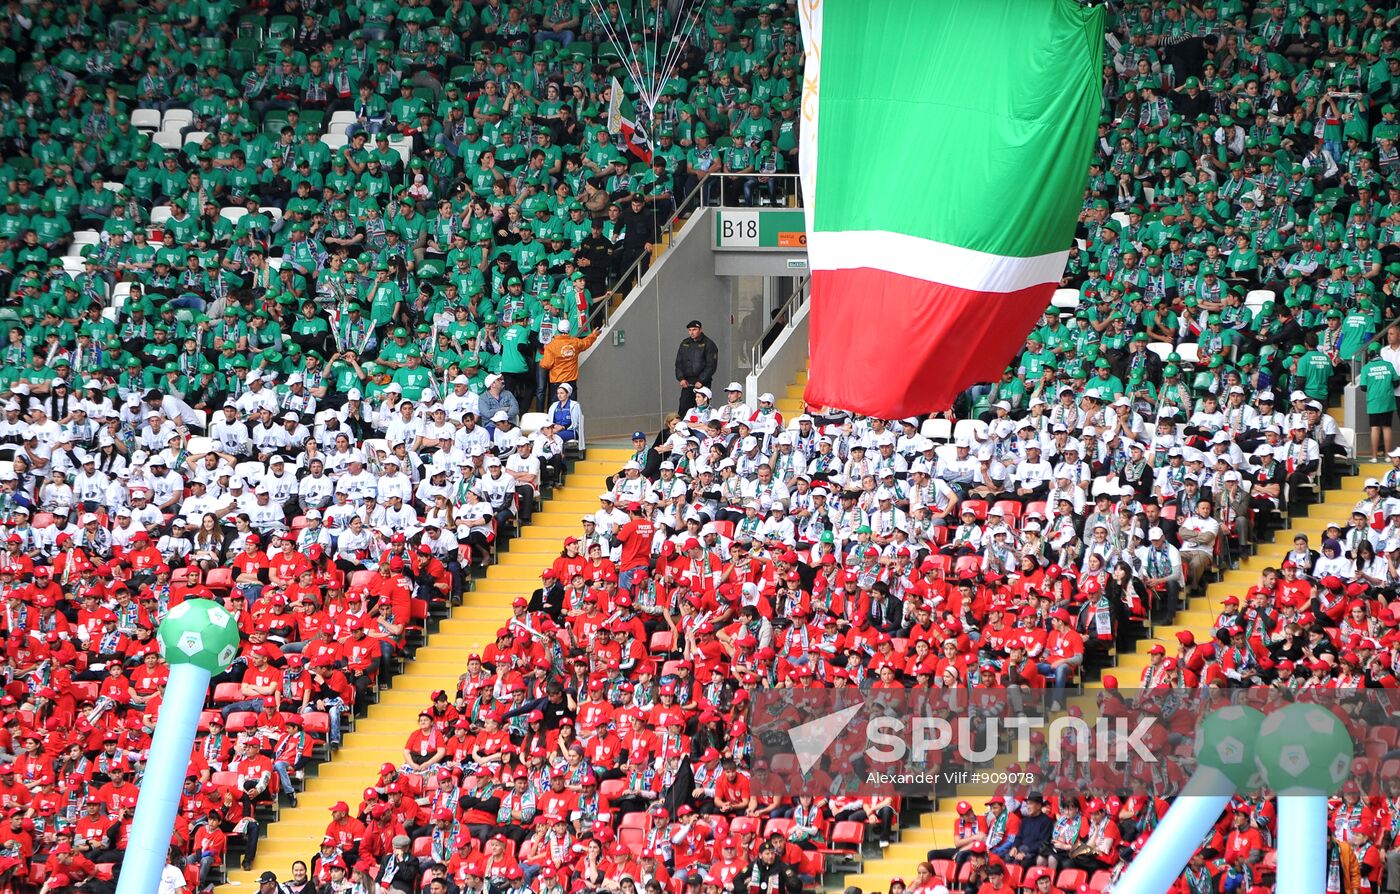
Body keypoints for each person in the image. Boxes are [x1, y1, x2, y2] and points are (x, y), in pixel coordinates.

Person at [674, 320, 719, 413]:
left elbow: (711, 365)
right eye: (690, 330)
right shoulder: (685, 343)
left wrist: (701, 380)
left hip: (702, 383)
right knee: (683, 408)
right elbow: (678, 362)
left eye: (694, 329)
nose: (692, 332)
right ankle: (683, 427)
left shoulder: (709, 344)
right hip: (687, 383)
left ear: (700, 330)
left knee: (701, 408)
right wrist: (681, 378)